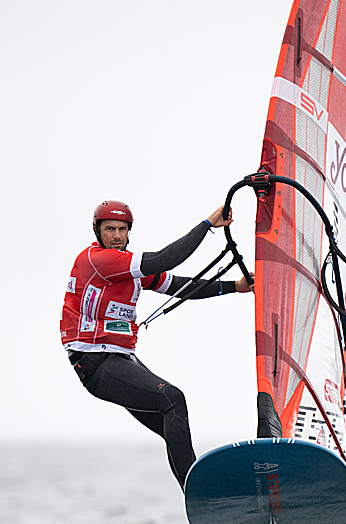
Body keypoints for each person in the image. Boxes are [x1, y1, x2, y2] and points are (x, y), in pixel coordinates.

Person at [60, 200, 253, 490]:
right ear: (97, 231)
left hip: (120, 359)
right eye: (109, 229)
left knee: (170, 421)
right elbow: (164, 259)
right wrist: (207, 225)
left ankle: (210, 494)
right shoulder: (97, 260)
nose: (116, 235)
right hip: (95, 362)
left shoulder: (128, 268)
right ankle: (197, 492)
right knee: (172, 399)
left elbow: (179, 286)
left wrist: (233, 287)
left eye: (122, 230)